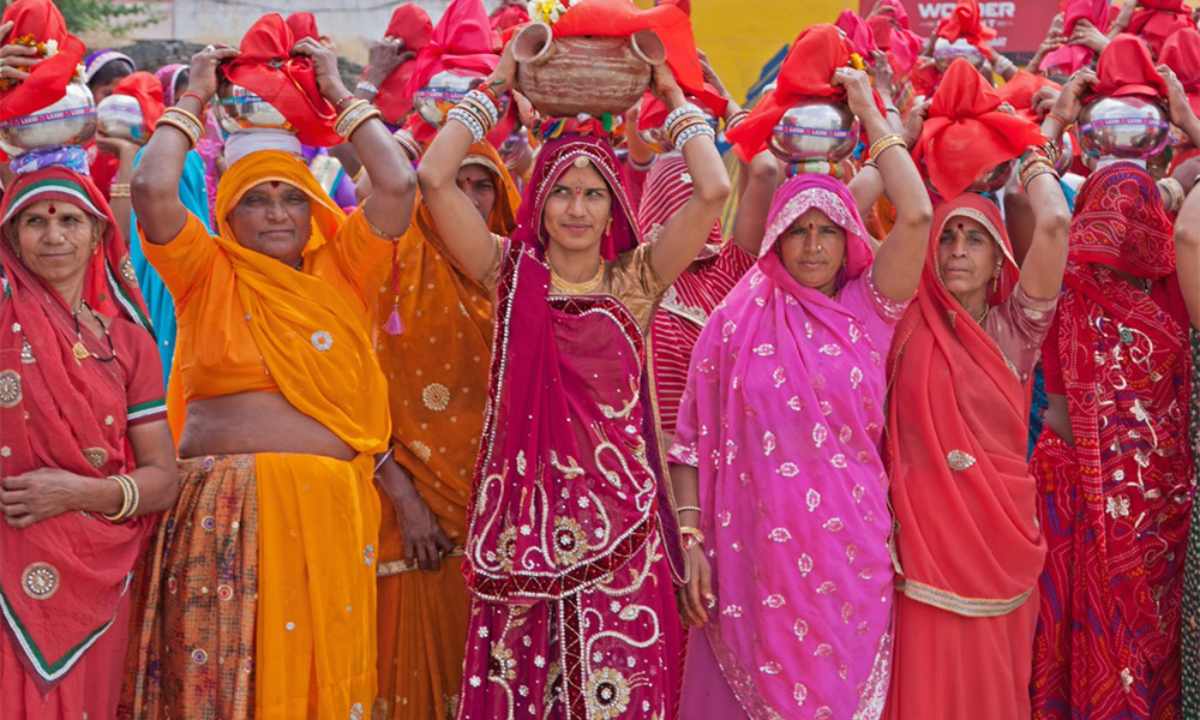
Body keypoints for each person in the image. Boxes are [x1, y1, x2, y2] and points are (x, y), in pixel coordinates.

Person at [417, 38, 730, 717]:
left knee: (618, 696)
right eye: (561, 192)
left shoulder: (636, 282)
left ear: (614, 207)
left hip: (625, 530)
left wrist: (669, 95)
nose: (578, 210)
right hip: (521, 535)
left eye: (593, 194)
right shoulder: (507, 276)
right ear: (539, 204)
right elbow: (434, 179)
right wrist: (498, 80)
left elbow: (714, 189)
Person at [121, 37, 416, 719]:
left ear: (316, 206)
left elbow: (398, 183)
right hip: (227, 520)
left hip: (330, 514)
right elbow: (151, 188)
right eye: (258, 200)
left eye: (292, 197)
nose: (279, 213)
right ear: (228, 211)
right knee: (227, 695)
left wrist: (341, 93)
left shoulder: (344, 273)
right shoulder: (208, 273)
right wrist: (193, 95)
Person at [669, 64, 933, 717]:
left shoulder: (867, 311)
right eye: (798, 230)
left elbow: (919, 212)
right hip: (751, 563)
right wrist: (692, 541)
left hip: (849, 558)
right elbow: (689, 444)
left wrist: (872, 116)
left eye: (827, 230)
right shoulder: (736, 319)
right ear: (776, 239)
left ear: (849, 241)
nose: (813, 244)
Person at [1031, 57, 1200, 720]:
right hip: (1151, 523)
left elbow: (1034, 204)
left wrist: (1054, 129)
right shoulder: (1177, 304)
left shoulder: (1063, 291)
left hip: (1110, 525)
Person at [883, 157, 1071, 720]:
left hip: (1000, 545)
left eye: (975, 239)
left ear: (998, 261)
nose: (958, 250)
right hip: (920, 554)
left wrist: (1037, 149)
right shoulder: (899, 320)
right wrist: (893, 134)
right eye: (948, 237)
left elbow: (1056, 223)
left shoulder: (1015, 330)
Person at [0, 161, 178, 716]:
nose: (54, 236)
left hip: (97, 572)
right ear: (10, 235)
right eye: (34, 222)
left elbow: (162, 478)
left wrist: (76, 494)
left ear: (99, 231)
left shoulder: (128, 344)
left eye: (70, 220)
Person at [372, 139, 520, 720]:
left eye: (483, 184)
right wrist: (407, 502)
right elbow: (351, 403)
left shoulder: (522, 281)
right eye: (456, 183)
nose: (469, 197)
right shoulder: (390, 272)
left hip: (505, 527)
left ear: (504, 195)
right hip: (414, 523)